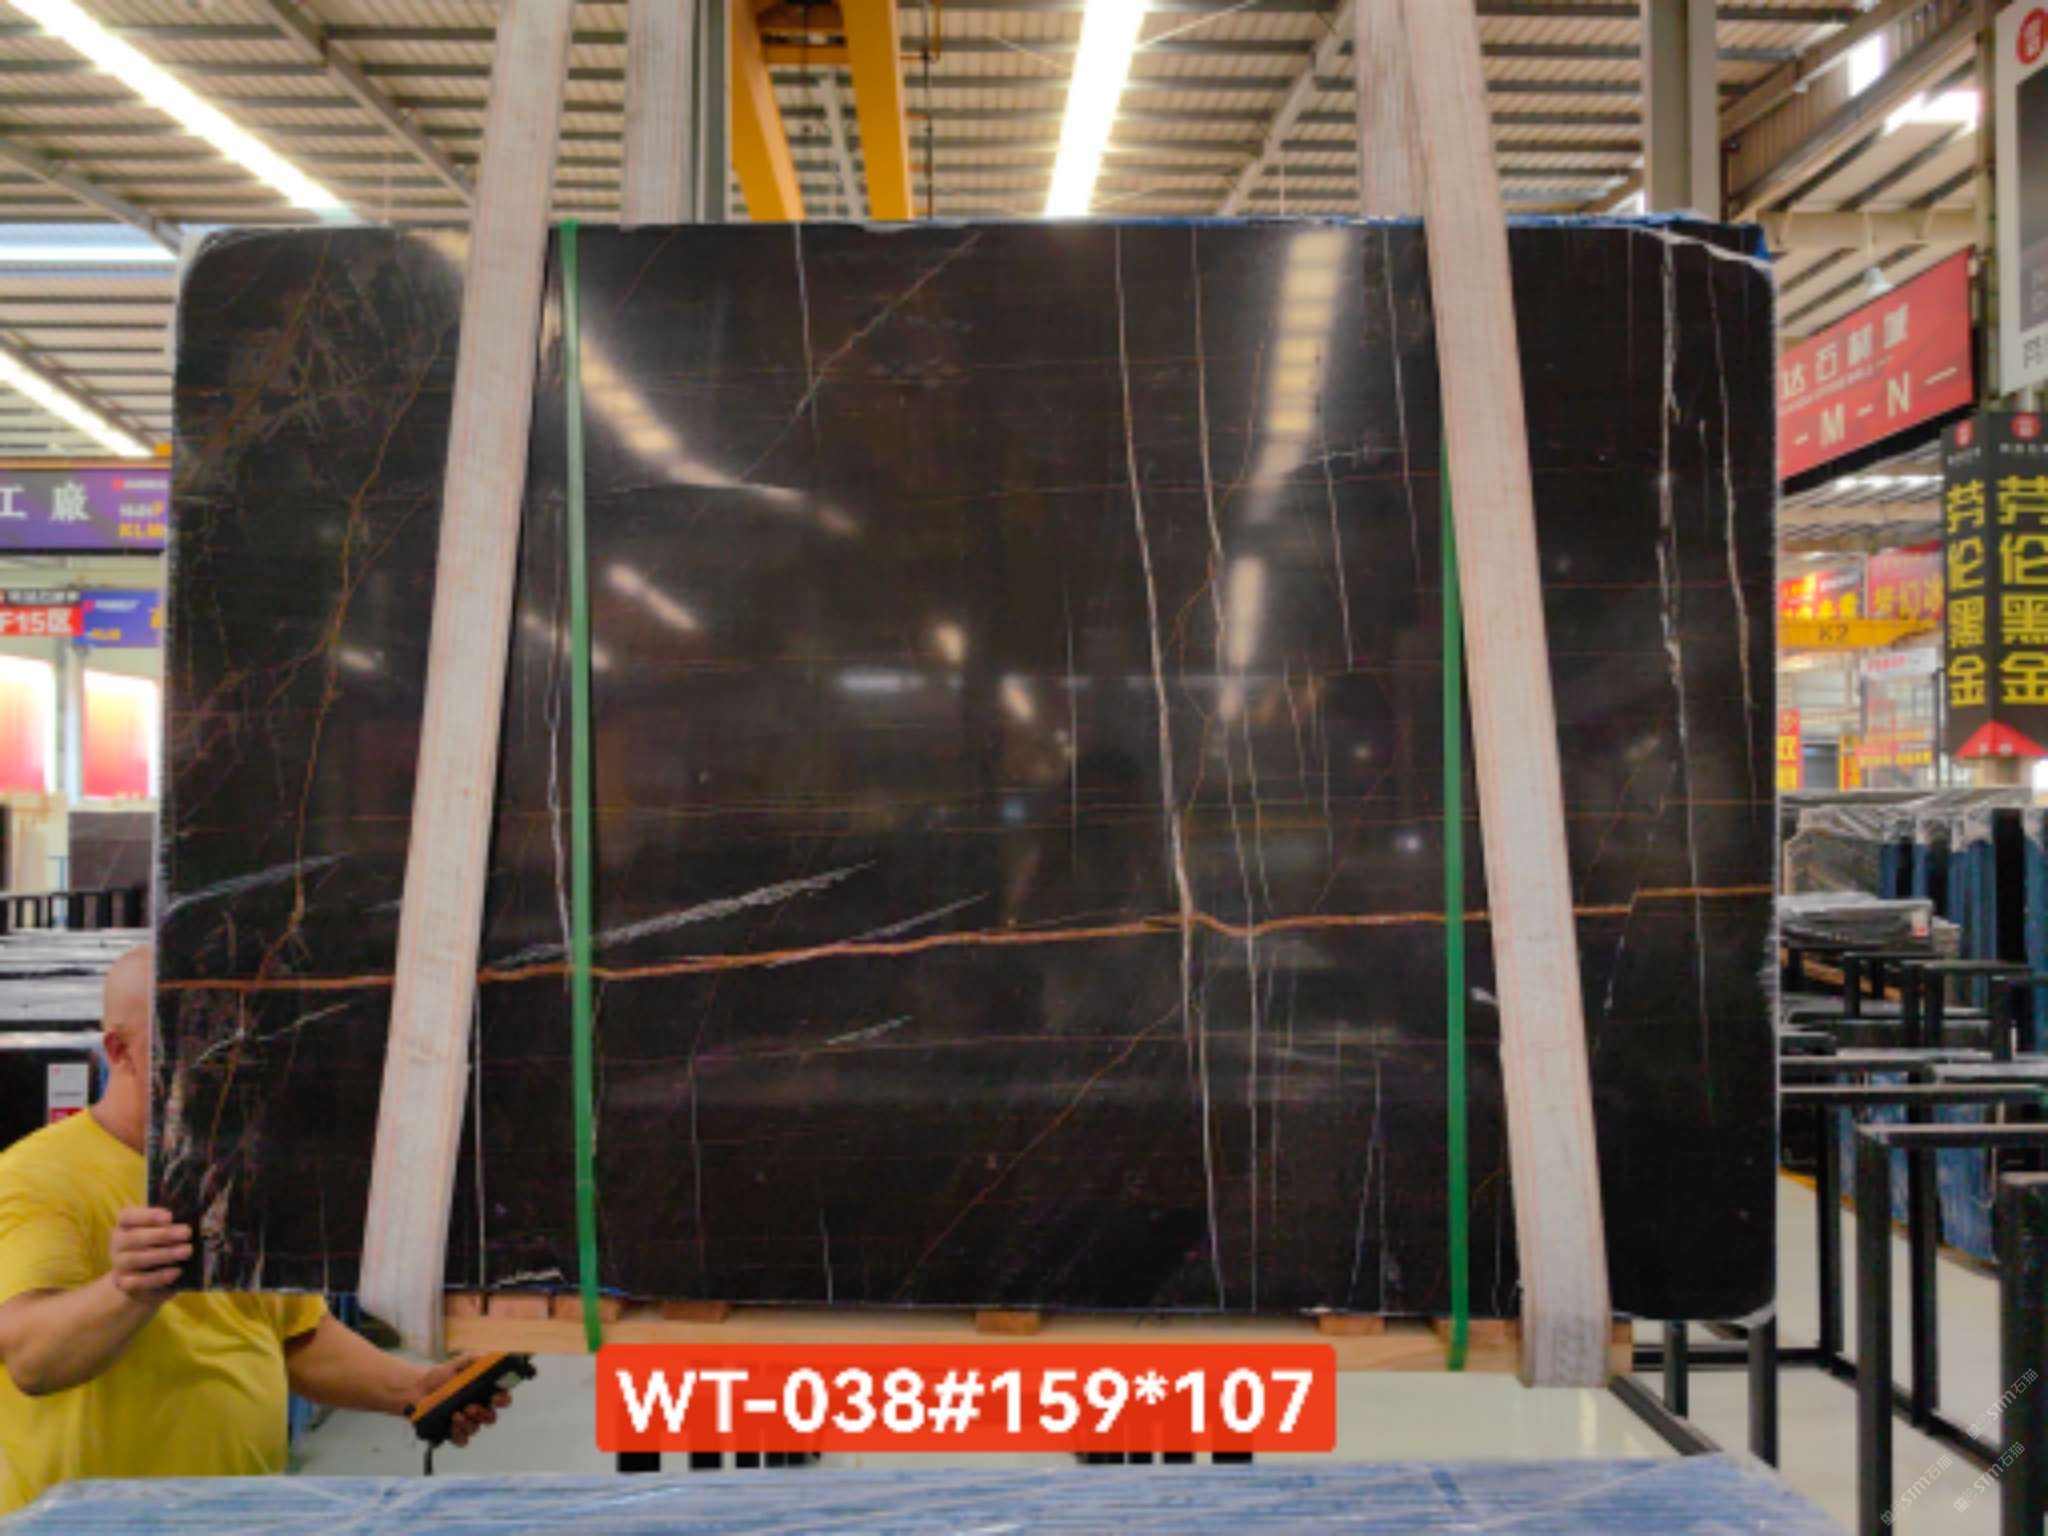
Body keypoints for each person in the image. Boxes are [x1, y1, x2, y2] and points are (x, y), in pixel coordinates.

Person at [0, 946, 511, 1513]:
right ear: (119, 1051)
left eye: (234, 1037)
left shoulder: (230, 1169)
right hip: (96, 1524)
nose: (222, 1059)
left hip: (237, 1512)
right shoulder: (37, 1178)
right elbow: (30, 1358)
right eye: (191, 1039)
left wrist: (415, 1389)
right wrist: (126, 1293)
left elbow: (295, 1335)